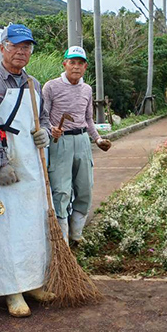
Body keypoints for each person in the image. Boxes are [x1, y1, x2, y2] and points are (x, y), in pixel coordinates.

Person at [0, 23, 55, 318]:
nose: (21, 52)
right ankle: (13, 291)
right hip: (3, 166)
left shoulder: (34, 84)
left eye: (27, 47)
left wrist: (45, 134)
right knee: (6, 230)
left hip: (32, 165)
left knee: (32, 227)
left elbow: (44, 120)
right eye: (16, 46)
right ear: (2, 48)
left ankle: (33, 282)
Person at [42, 45, 111, 245]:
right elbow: (43, 116)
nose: (76, 67)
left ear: (85, 67)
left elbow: (88, 119)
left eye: (80, 63)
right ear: (64, 64)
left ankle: (76, 234)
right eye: (72, 62)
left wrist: (97, 139)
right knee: (61, 189)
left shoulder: (87, 89)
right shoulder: (51, 87)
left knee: (85, 187)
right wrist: (51, 129)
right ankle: (62, 241)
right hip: (60, 141)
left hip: (82, 141)